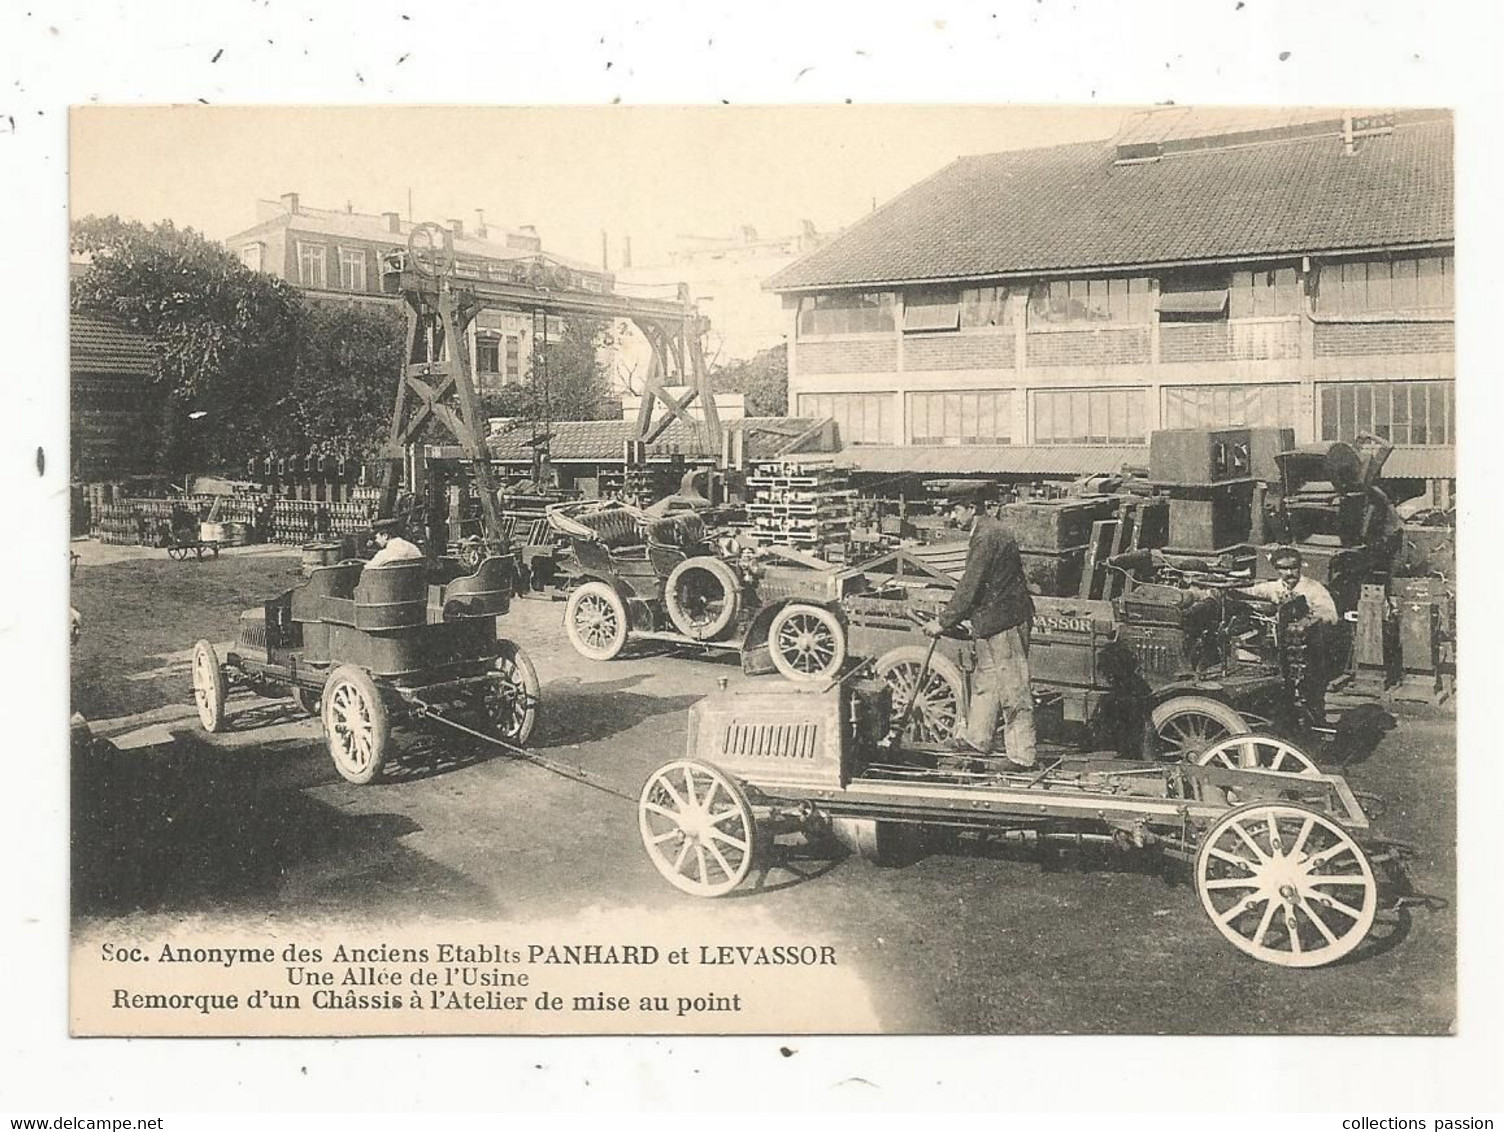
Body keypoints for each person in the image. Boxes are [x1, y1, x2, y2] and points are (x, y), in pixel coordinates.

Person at [923, 482, 1037, 768]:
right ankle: (977, 740)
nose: (951, 517)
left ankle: (1022, 756)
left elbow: (970, 585)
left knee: (1014, 689)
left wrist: (943, 621)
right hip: (990, 623)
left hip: (1005, 623)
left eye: (955, 510)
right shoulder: (986, 531)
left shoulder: (988, 536)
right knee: (987, 683)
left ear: (972, 509)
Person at [1236, 545, 1338, 624]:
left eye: (1293, 567)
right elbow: (1248, 591)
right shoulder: (1273, 587)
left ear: (1300, 567)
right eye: (1284, 568)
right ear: (1276, 570)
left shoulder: (1314, 588)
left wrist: (1308, 621)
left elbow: (1330, 615)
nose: (1289, 573)